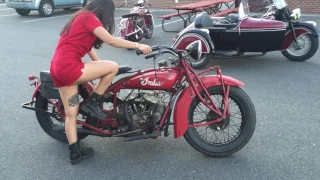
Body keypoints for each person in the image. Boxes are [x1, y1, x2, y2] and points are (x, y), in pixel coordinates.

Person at [49, 0, 152, 165]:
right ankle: (93, 102)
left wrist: (98, 68)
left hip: (58, 69)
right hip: (69, 68)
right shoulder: (89, 18)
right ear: (104, 9)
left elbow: (87, 47)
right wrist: (138, 45)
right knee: (113, 67)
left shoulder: (79, 17)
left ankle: (75, 152)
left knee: (70, 113)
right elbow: (112, 41)